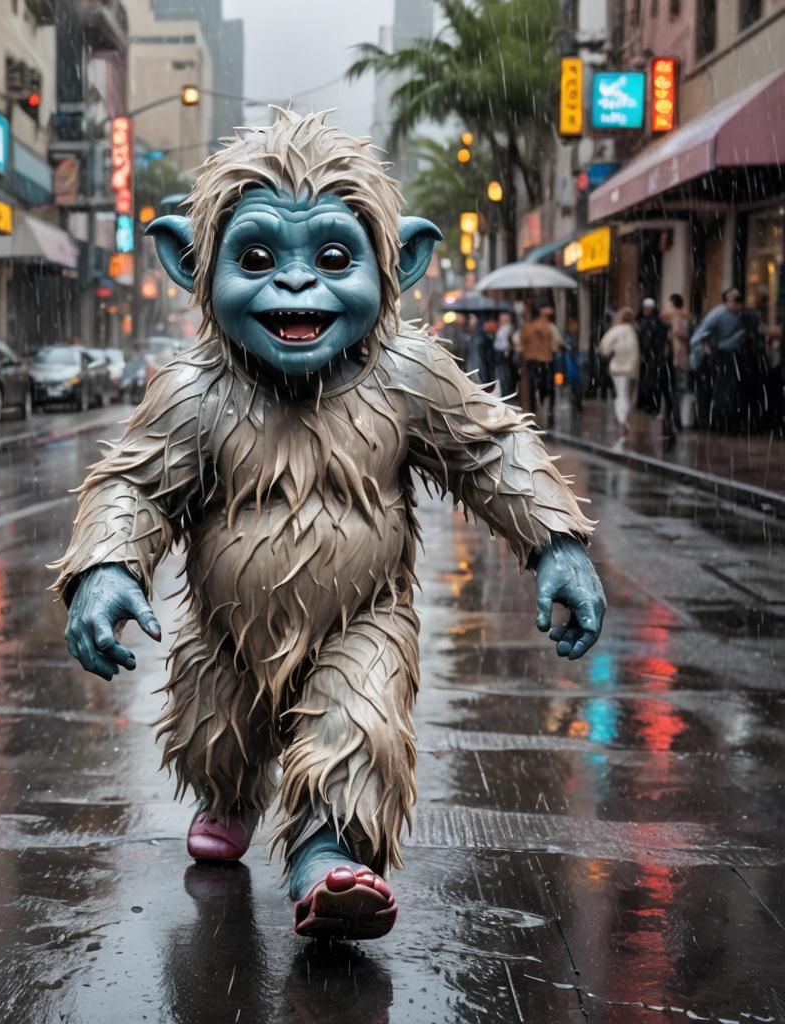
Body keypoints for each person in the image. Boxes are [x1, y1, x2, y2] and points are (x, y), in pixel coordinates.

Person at [54, 108, 606, 942]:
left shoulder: (407, 374)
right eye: (259, 258)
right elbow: (136, 485)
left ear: (399, 266)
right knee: (217, 730)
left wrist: (558, 543)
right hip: (224, 626)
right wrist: (106, 569)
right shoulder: (194, 391)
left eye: (337, 258)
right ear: (191, 266)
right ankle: (232, 793)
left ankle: (331, 858)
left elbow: (492, 448)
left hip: (366, 615)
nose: (298, 286)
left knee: (361, 722)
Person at [690, 287, 746, 430]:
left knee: (726, 389)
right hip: (716, 357)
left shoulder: (740, 315)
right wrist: (706, 347)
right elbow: (699, 335)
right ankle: (711, 421)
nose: (737, 304)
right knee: (713, 389)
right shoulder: (718, 314)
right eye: (733, 300)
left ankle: (721, 420)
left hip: (730, 356)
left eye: (738, 300)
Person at [515, 302, 561, 426]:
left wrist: (523, 350)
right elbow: (557, 341)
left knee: (531, 385)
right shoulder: (549, 326)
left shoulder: (526, 327)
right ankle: (548, 408)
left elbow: (518, 341)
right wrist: (554, 349)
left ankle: (533, 408)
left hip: (531, 360)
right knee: (548, 385)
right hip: (546, 360)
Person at [637, 297, 676, 439]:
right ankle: (652, 406)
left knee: (658, 385)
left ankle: (655, 407)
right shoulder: (645, 323)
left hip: (656, 359)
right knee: (653, 384)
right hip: (650, 359)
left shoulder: (659, 325)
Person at [598, 307, 641, 433]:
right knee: (626, 394)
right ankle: (624, 417)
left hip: (618, 367)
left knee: (621, 394)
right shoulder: (634, 331)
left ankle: (622, 419)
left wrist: (606, 353)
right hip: (632, 368)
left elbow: (604, 347)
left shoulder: (615, 331)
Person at [662, 293, 692, 428]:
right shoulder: (679, 318)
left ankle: (675, 418)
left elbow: (682, 335)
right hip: (676, 358)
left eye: (669, 304)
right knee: (676, 389)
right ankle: (674, 417)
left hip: (678, 358)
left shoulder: (678, 318)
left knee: (677, 389)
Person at [493, 310, 518, 397]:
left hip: (504, 355)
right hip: (503, 354)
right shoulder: (506, 328)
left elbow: (503, 344)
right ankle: (506, 391)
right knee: (504, 375)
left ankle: (506, 392)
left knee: (504, 375)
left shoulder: (506, 329)